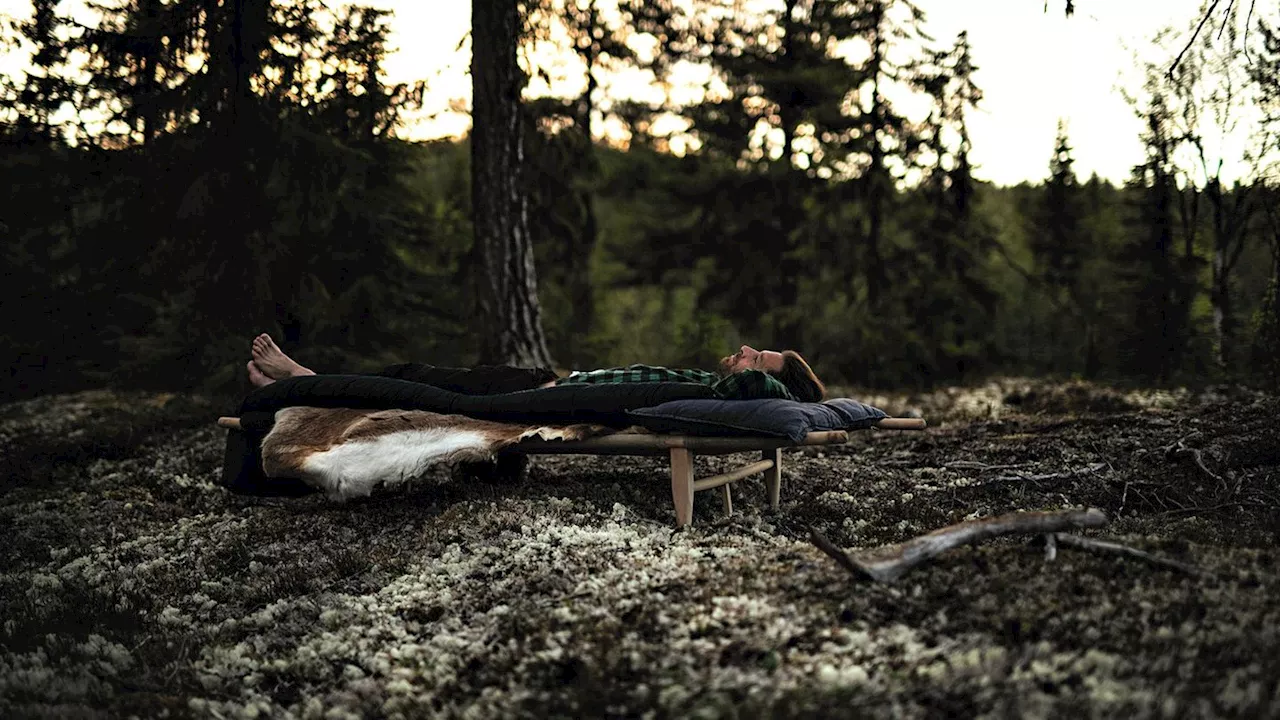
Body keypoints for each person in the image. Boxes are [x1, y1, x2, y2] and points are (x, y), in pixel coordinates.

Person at [246, 333, 827, 402]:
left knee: (416, 379)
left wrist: (779, 373)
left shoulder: (748, 388)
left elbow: (768, 384)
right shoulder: (714, 387)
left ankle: (301, 379)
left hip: (541, 390)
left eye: (760, 356)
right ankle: (302, 380)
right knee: (417, 371)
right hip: (550, 380)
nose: (748, 351)